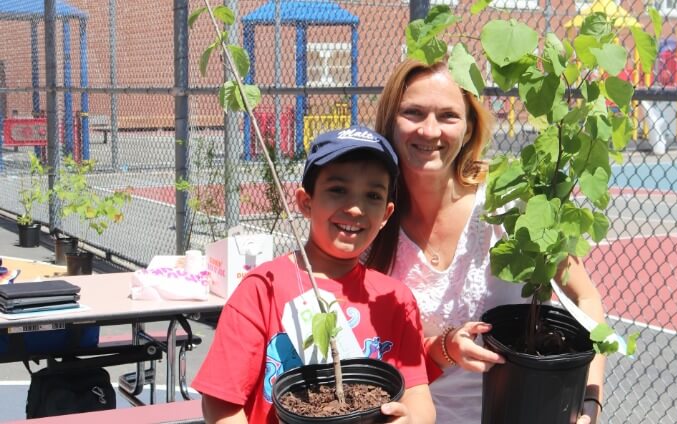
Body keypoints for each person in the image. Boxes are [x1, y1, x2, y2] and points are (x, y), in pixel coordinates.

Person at [367, 59, 606, 424]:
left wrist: (588, 403)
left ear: (469, 127)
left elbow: (583, 296)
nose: (429, 130)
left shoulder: (511, 202)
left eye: (448, 116)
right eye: (413, 113)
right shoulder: (371, 221)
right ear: (390, 122)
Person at [192, 126, 436, 424]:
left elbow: (418, 397)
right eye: (337, 190)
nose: (356, 208)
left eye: (372, 195)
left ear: (386, 215)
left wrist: (409, 421)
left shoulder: (396, 299)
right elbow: (220, 403)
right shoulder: (262, 289)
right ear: (306, 202)